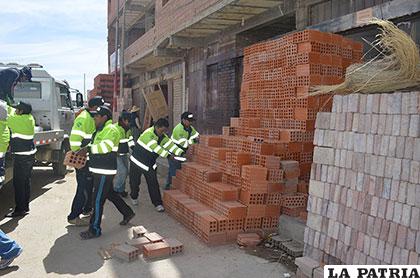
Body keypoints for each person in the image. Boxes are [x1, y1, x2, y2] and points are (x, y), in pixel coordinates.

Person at [80, 106, 135, 240]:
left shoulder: (111, 130)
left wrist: (88, 149)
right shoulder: (100, 130)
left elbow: (106, 147)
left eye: (97, 116)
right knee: (111, 194)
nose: (94, 119)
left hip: (105, 171)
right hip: (99, 170)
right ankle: (128, 212)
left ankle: (95, 229)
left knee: (97, 200)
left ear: (104, 117)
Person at [129, 118, 184, 212]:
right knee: (134, 183)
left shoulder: (162, 136)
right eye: (162, 130)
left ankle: (158, 203)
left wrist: (181, 153)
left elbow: (170, 145)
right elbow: (156, 148)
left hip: (149, 164)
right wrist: (168, 156)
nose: (163, 133)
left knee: (153, 184)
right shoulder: (148, 134)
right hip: (137, 163)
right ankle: (134, 197)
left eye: (165, 131)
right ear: (156, 127)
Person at [67, 96, 105, 226]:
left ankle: (87, 210)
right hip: (82, 160)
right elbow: (74, 142)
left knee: (88, 187)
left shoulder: (92, 118)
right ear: (94, 107)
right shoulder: (83, 118)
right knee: (83, 188)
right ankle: (73, 216)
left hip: (88, 159)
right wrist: (79, 157)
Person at [5, 102, 36, 217]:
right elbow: (12, 111)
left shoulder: (16, 120)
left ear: (21, 111)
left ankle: (19, 209)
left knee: (18, 183)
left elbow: (5, 116)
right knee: (26, 181)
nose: (15, 110)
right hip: (29, 155)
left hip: (21, 157)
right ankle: (25, 206)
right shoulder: (29, 118)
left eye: (17, 109)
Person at [165, 112, 199, 190]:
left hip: (181, 153)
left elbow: (197, 135)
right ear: (183, 120)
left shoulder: (190, 128)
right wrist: (194, 140)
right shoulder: (178, 129)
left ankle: (168, 188)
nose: (191, 122)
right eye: (189, 120)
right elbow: (184, 144)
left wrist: (198, 139)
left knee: (173, 172)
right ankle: (172, 191)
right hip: (174, 154)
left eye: (191, 121)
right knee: (175, 173)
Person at [114, 112, 134, 197]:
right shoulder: (115, 129)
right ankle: (115, 190)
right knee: (122, 172)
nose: (129, 123)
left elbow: (130, 140)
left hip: (124, 153)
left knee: (125, 173)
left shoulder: (128, 129)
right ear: (123, 120)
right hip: (116, 154)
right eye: (128, 121)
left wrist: (133, 148)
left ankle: (121, 190)